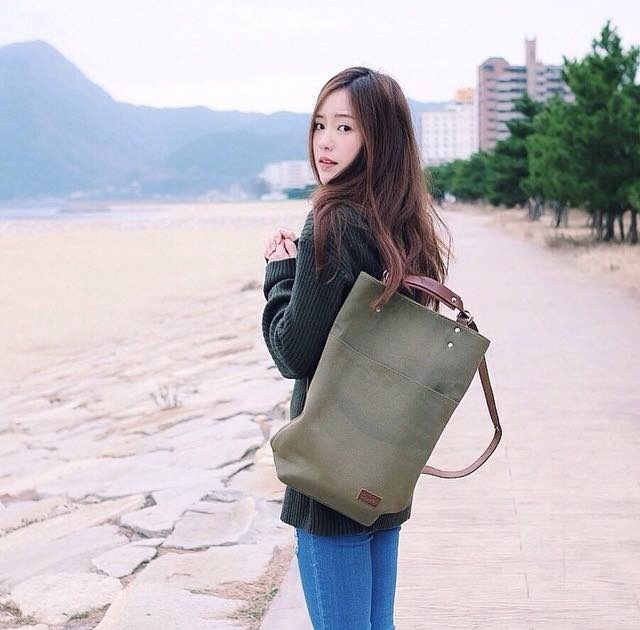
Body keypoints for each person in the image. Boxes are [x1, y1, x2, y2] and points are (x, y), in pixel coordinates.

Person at [261, 66, 453, 630]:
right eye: (321, 124)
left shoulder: (334, 222)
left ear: (378, 137)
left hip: (332, 472)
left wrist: (280, 275)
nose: (326, 141)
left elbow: (292, 353)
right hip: (383, 465)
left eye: (345, 127)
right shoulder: (404, 224)